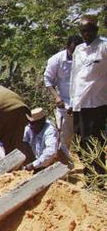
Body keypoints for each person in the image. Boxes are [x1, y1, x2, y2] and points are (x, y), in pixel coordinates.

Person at [70, 15, 107, 174]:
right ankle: (89, 174)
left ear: (96, 30)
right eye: (83, 31)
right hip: (79, 104)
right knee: (80, 142)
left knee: (95, 142)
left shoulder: (104, 47)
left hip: (96, 103)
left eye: (90, 30)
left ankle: (98, 177)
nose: (87, 34)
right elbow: (74, 76)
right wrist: (72, 101)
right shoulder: (78, 50)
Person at [44, 35, 82, 150]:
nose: (75, 54)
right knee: (64, 138)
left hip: (83, 103)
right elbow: (48, 80)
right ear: (67, 47)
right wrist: (57, 97)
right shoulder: (56, 60)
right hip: (65, 104)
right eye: (72, 51)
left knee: (84, 137)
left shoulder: (86, 58)